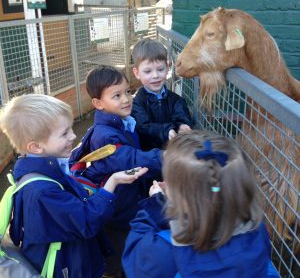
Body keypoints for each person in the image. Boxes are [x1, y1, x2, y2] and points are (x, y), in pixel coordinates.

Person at [0, 94, 148, 278]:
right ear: (36, 147)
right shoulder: (42, 192)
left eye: (70, 129)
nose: (73, 135)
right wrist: (112, 183)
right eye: (64, 133)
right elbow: (87, 221)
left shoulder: (48, 169)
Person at [122, 130, 273, 278]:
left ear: (180, 197)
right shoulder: (256, 228)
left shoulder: (162, 250)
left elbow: (134, 259)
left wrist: (155, 208)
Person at [69, 65, 162, 277]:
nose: (126, 99)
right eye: (117, 95)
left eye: (128, 92)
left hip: (125, 202)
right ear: (98, 103)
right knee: (118, 254)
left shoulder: (120, 123)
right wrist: (167, 158)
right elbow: (129, 159)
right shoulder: (105, 135)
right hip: (118, 210)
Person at [131, 38, 193, 150]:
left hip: (174, 152)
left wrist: (182, 125)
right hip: (149, 155)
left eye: (160, 69)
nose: (155, 76)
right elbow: (143, 126)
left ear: (168, 67)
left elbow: (182, 116)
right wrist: (167, 130)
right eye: (148, 71)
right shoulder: (137, 103)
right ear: (137, 73)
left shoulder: (176, 100)